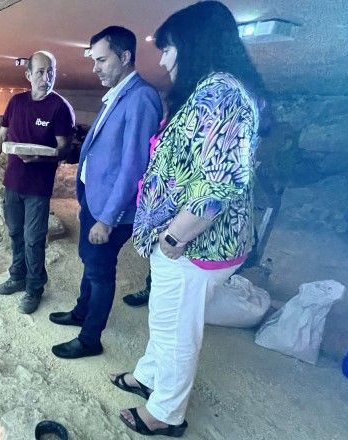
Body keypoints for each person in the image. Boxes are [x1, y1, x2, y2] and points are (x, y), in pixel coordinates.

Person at [112, 2, 269, 436]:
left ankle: (165, 415)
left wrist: (173, 240)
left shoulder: (220, 93)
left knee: (178, 330)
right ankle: (148, 377)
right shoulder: (216, 91)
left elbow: (218, 185)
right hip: (187, 243)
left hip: (195, 245)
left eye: (168, 49)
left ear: (193, 44)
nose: (162, 59)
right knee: (164, 319)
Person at [49, 26, 161, 359]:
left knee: (100, 271)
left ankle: (90, 338)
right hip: (94, 200)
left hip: (111, 210)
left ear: (125, 57)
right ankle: (82, 312)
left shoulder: (141, 97)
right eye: (94, 60)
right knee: (90, 262)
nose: (95, 67)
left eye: (102, 60)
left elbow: (134, 165)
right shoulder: (119, 93)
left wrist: (107, 219)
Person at [0, 51, 75, 314]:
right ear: (29, 74)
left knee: (33, 239)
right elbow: (1, 136)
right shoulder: (17, 102)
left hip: (38, 188)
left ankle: (34, 289)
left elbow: (65, 149)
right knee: (15, 233)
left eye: (51, 71)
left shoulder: (59, 108)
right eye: (41, 72)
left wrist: (42, 156)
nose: (47, 77)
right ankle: (18, 276)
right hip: (13, 182)